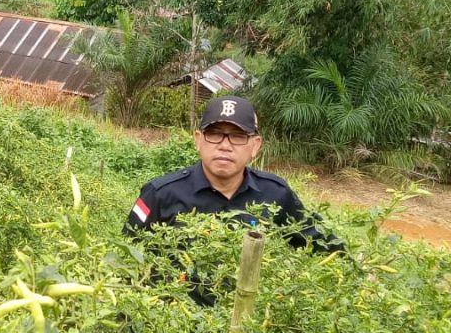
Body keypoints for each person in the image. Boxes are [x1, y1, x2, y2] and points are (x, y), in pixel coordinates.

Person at [126, 95, 342, 305]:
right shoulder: (161, 193)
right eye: (214, 134)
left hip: (250, 329)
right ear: (198, 140)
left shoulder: (275, 194)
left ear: (255, 145)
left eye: (238, 136)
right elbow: (125, 259)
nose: (225, 145)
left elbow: (323, 245)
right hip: (175, 329)